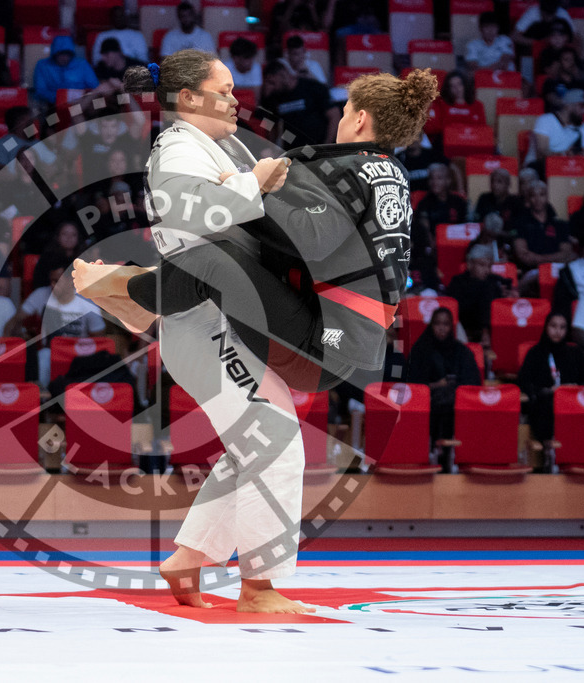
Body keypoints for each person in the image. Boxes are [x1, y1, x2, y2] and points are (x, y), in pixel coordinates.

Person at [74, 54, 436, 611]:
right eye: (225, 89)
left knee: (256, 444)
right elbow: (201, 223)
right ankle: (259, 587)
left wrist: (257, 181)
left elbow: (271, 216)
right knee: (275, 445)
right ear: (190, 99)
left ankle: (189, 557)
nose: (237, 99)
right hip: (204, 320)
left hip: (232, 312)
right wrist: (254, 186)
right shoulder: (176, 149)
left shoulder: (228, 147)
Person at [517, 311, 584, 471]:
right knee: (546, 406)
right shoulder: (535, 353)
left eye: (562, 327)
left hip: (573, 403)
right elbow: (524, 383)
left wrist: (575, 388)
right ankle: (550, 451)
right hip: (545, 402)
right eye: (553, 326)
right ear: (546, 327)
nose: (557, 331)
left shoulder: (575, 353)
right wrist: (547, 390)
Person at [406, 307, 482, 471]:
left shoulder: (462, 352)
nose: (441, 328)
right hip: (427, 406)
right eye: (437, 323)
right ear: (431, 325)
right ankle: (433, 452)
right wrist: (436, 386)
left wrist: (452, 388)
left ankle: (448, 453)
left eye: (446, 324)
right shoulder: (420, 350)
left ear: (451, 327)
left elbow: (473, 385)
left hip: (455, 407)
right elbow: (412, 386)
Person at [11, 263, 105, 388]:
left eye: (57, 281)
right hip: (50, 353)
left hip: (79, 354)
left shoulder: (88, 302)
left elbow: (99, 338)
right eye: (51, 281)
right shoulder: (41, 294)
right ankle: (42, 397)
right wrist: (18, 333)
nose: (52, 285)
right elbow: (15, 321)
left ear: (72, 281)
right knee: (42, 355)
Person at [260, 61, 340, 149]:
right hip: (293, 152)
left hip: (317, 148)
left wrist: (327, 144)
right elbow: (273, 126)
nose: (272, 87)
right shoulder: (276, 97)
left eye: (272, 82)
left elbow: (334, 116)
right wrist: (270, 148)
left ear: (282, 75)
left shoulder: (313, 87)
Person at [446, 244, 515, 344]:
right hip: (465, 328)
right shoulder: (457, 282)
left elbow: (508, 285)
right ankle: (485, 333)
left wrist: (509, 295)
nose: (487, 270)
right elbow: (457, 309)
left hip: (494, 329)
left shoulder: (493, 280)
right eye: (482, 265)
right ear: (470, 264)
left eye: (489, 266)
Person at [524, 89, 584, 172]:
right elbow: (541, 152)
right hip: (539, 165)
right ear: (568, 106)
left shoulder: (582, 126)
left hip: (566, 167)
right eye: (581, 106)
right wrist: (564, 155)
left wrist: (577, 155)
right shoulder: (545, 120)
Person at [33, 35, 99, 106]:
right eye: (61, 54)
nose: (65, 58)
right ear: (54, 54)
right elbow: (40, 91)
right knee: (76, 114)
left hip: (83, 102)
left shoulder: (82, 64)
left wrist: (81, 95)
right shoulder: (43, 65)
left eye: (68, 54)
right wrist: (63, 97)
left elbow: (95, 86)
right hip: (56, 104)